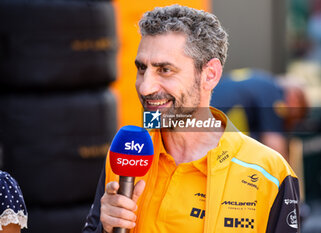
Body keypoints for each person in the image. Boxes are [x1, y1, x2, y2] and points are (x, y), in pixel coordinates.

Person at [83, 5, 300, 233]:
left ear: (210, 75)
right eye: (141, 68)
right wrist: (105, 229)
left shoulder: (270, 172)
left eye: (165, 70)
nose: (145, 87)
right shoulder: (126, 155)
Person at [211, 68, 309, 161]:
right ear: (294, 98)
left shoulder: (262, 82)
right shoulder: (275, 94)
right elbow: (274, 145)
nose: (289, 123)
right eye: (296, 116)